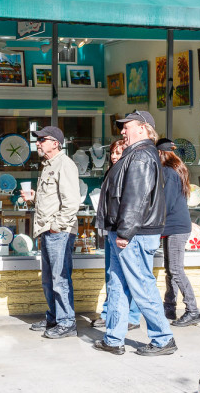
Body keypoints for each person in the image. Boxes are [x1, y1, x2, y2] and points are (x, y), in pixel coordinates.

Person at [93, 110, 177, 356]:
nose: (122, 131)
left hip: (134, 234)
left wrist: (125, 232)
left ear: (142, 128)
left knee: (141, 285)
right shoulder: (135, 154)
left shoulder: (140, 156)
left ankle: (163, 339)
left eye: (126, 127)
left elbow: (136, 199)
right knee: (117, 284)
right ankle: (113, 338)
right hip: (128, 232)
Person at [21, 126, 81, 339]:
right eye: (37, 140)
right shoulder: (48, 165)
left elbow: (71, 202)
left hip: (58, 231)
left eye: (42, 139)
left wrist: (58, 225)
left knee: (59, 278)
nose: (38, 143)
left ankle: (67, 322)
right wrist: (35, 197)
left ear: (56, 143)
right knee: (49, 279)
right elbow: (52, 198)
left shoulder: (64, 164)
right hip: (48, 229)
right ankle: (54, 317)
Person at [91, 139, 141, 330]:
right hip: (110, 229)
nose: (113, 156)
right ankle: (109, 312)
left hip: (124, 232)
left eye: (118, 153)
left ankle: (133, 317)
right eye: (112, 152)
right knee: (112, 275)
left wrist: (124, 231)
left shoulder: (130, 173)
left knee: (129, 276)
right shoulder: (111, 171)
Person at [157, 138, 200, 327]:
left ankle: (193, 311)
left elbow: (166, 202)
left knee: (175, 270)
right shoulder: (177, 169)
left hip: (176, 227)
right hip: (175, 226)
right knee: (170, 269)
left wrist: (154, 222)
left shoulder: (168, 171)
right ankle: (169, 306)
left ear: (160, 153)